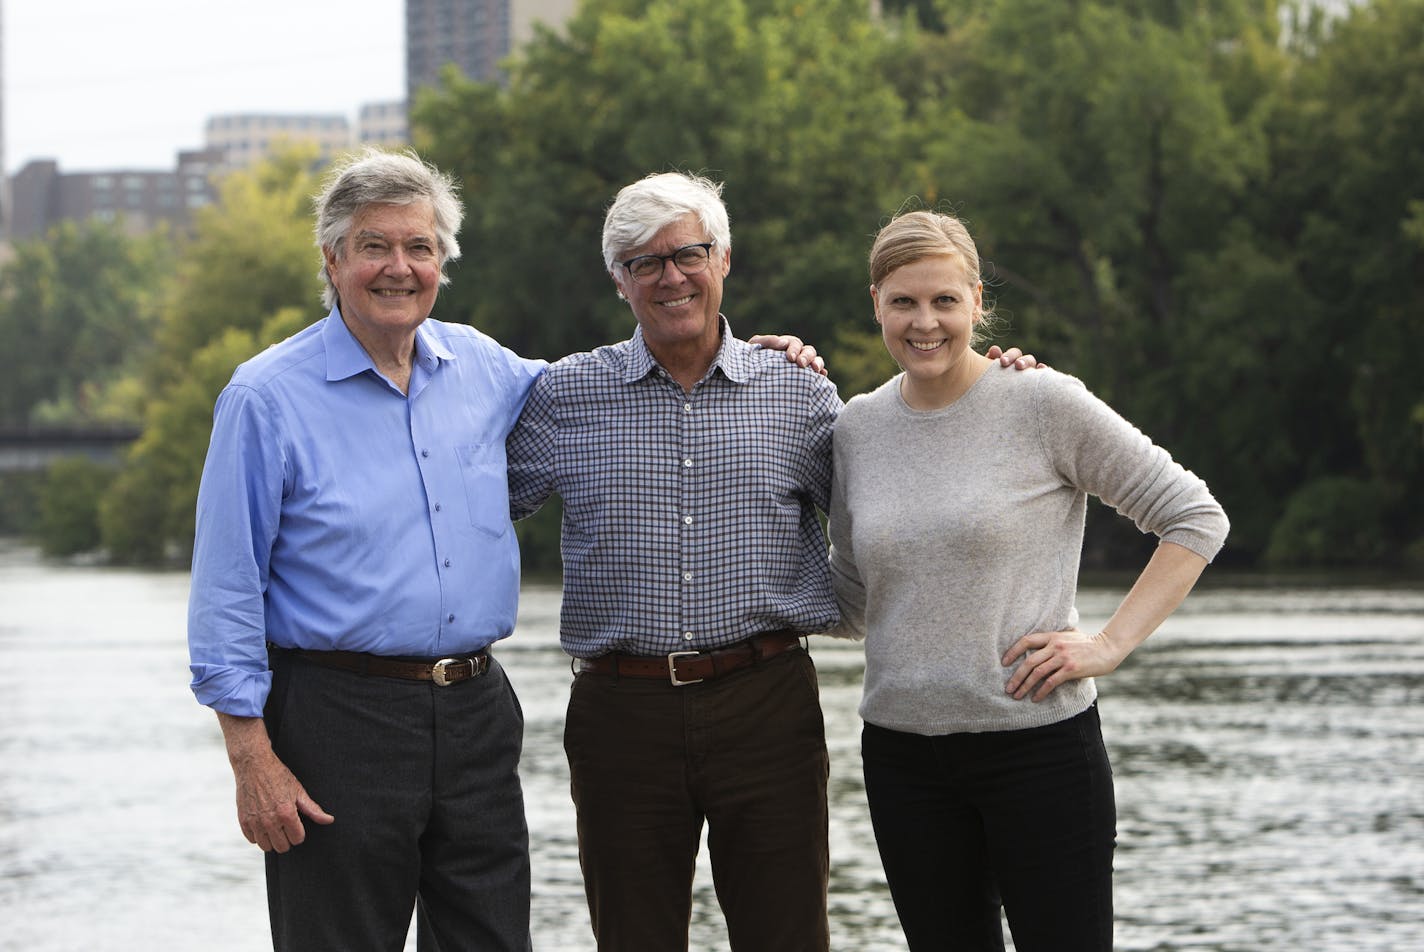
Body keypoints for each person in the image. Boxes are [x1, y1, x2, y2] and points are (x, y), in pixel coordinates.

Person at [504, 173, 1037, 951]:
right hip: (621, 714)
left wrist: (1001, 393)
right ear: (618, 279)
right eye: (644, 262)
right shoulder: (563, 398)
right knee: (632, 937)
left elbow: (909, 498)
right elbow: (462, 515)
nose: (670, 277)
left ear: (723, 259)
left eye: (688, 253)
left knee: (787, 935)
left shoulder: (801, 395)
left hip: (766, 703)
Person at [827, 209, 1231, 951]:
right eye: (904, 302)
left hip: (1037, 750)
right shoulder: (856, 430)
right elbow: (852, 601)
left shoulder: (1042, 402)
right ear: (875, 304)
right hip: (901, 758)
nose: (925, 322)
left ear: (977, 302)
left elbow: (1195, 518)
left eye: (945, 300)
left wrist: (1108, 645)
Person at [187, 149, 545, 951]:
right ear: (333, 258)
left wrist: (756, 358)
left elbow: (612, 398)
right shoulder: (264, 398)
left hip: (478, 713)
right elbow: (226, 587)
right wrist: (252, 759)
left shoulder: (486, 368)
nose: (399, 267)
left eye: (420, 248)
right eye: (375, 246)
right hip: (333, 722)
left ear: (442, 263)